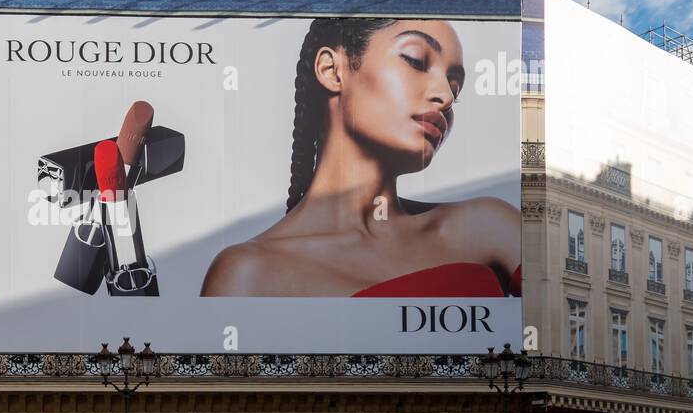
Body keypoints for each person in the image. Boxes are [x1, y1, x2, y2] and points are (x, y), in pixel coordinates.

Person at [202, 18, 520, 299]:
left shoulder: (486, 225)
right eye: (416, 61)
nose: (447, 97)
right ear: (332, 70)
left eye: (455, 86)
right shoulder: (247, 273)